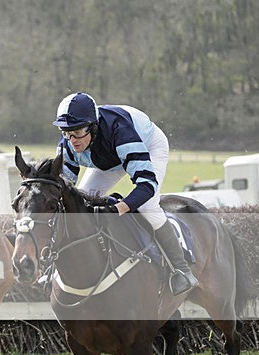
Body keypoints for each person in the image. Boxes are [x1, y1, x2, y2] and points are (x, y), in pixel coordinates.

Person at [53, 92, 198, 295]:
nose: (72, 139)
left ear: (93, 126)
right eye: (66, 132)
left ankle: (181, 270)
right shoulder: (69, 142)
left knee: (147, 206)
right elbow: (64, 189)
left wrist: (116, 209)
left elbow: (147, 185)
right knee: (79, 204)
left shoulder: (121, 132)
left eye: (77, 132)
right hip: (107, 158)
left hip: (146, 146)